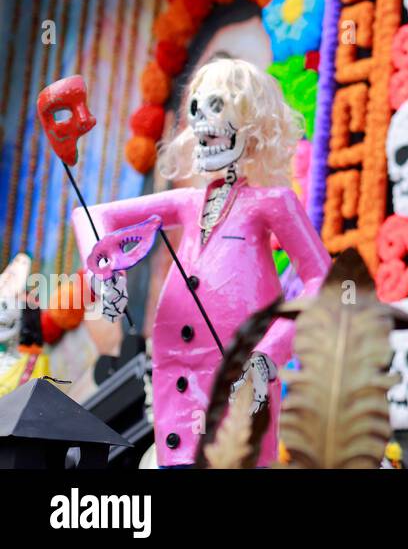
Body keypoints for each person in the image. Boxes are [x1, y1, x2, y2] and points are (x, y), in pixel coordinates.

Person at [72, 59, 330, 468]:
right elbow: (91, 216)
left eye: (217, 107)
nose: (203, 122)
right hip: (177, 382)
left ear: (252, 121)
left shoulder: (272, 202)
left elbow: (322, 280)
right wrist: (105, 270)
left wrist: (269, 354)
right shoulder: (187, 203)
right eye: (196, 109)